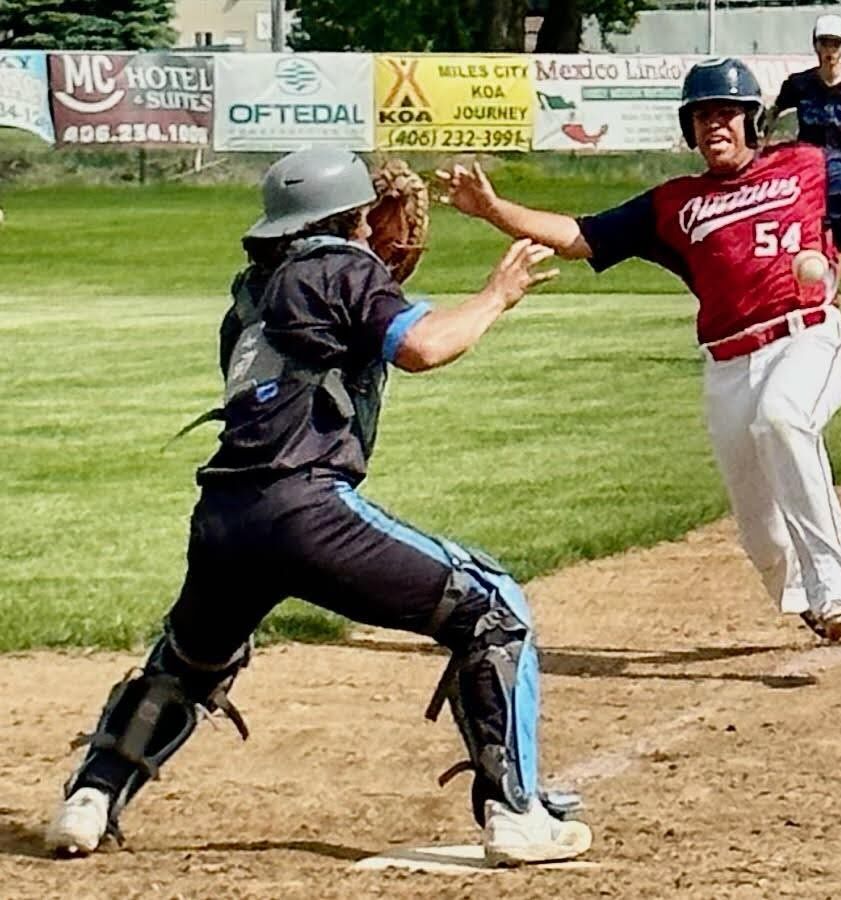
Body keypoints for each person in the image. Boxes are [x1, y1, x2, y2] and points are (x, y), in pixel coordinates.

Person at [45, 148, 592, 866]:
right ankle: (516, 813)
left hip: (223, 518)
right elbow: (423, 347)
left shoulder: (249, 295)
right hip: (307, 509)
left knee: (187, 663)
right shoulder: (342, 265)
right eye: (365, 216)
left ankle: (90, 797)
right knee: (493, 606)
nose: (374, 230)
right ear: (347, 219)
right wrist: (497, 295)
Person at [438, 58, 841, 644]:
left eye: (726, 111)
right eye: (702, 115)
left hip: (809, 338)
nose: (715, 123)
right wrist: (495, 210)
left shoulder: (811, 168)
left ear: (752, 120)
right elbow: (581, 235)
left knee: (784, 418)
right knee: (760, 533)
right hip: (726, 365)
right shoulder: (674, 203)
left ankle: (839, 592)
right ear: (689, 129)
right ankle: (806, 600)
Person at [770, 14, 841, 165]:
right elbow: (775, 117)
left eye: (836, 44)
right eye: (824, 43)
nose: (830, 50)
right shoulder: (797, 84)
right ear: (815, 45)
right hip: (807, 165)